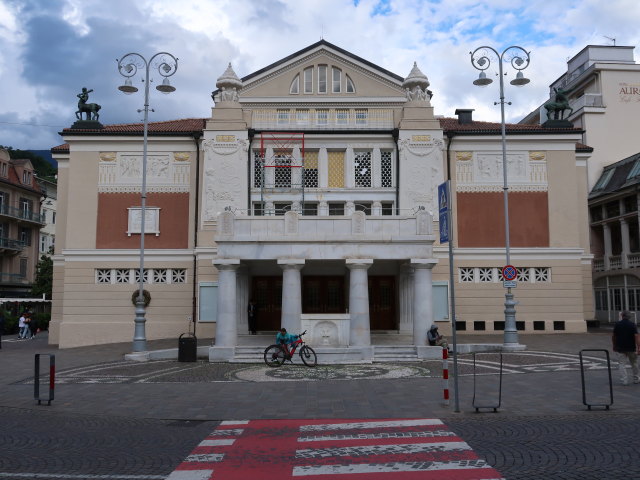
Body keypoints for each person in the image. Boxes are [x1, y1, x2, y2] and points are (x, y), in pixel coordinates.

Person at [612, 310, 640, 385]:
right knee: (634, 363)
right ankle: (636, 379)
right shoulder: (632, 325)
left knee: (622, 364)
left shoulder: (617, 324)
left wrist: (614, 345)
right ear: (629, 317)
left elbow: (614, 336)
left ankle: (624, 380)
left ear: (622, 315)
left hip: (620, 347)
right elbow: (636, 336)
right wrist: (639, 347)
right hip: (631, 347)